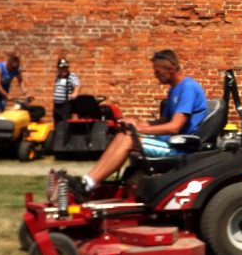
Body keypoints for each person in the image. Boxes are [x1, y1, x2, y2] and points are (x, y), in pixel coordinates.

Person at [67, 50, 207, 201]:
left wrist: (139, 129)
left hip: (180, 149)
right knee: (123, 134)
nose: (155, 75)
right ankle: (88, 182)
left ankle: (88, 185)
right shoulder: (175, 89)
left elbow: (174, 127)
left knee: (129, 139)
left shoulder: (188, 88)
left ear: (170, 69)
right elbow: (162, 121)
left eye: (157, 71)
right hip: (170, 142)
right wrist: (135, 123)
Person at [52, 58, 81, 123]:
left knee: (65, 123)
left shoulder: (71, 76)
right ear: (58, 69)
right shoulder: (57, 77)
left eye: (65, 67)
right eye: (62, 68)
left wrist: (75, 93)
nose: (64, 70)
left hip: (65, 105)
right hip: (57, 105)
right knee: (57, 123)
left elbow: (77, 85)